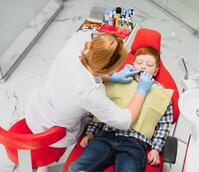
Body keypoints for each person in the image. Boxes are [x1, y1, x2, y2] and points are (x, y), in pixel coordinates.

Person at [67, 47, 174, 172]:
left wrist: (156, 149)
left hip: (135, 144)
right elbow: (101, 110)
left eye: (149, 65)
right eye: (139, 62)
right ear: (133, 63)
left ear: (156, 71)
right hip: (106, 136)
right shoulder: (118, 81)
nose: (143, 66)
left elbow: (164, 124)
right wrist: (91, 132)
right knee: (76, 170)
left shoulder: (162, 94)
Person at [25, 33, 154, 148]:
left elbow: (84, 36)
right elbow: (125, 120)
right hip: (53, 132)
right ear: (110, 68)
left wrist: (110, 76)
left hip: (33, 108)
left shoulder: (73, 49)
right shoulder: (91, 93)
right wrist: (141, 90)